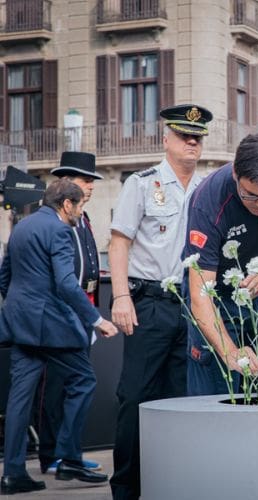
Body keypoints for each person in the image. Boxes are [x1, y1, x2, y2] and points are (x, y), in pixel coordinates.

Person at [108, 104, 212, 500]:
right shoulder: (141, 183)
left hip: (190, 306)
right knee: (136, 396)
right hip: (149, 302)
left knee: (180, 397)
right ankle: (126, 489)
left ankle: (169, 485)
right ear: (166, 139)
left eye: (197, 137)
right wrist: (121, 296)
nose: (191, 142)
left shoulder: (205, 189)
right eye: (184, 135)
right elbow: (120, 242)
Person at [0, 179, 118, 495]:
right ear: (67, 204)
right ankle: (68, 459)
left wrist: (21, 307)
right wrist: (97, 320)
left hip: (20, 323)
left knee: (19, 399)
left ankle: (12, 474)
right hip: (50, 326)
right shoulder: (61, 230)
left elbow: (4, 276)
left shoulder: (22, 226)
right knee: (84, 380)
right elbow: (66, 284)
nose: (80, 213)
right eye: (79, 206)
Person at [184, 132, 258, 396]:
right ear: (235, 174)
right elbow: (200, 296)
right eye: (250, 196)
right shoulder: (208, 201)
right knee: (217, 388)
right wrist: (230, 352)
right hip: (214, 293)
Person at [36, 152, 105, 475]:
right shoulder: (55, 222)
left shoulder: (83, 217)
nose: (90, 186)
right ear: (66, 183)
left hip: (83, 310)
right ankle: (53, 455)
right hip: (62, 314)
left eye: (91, 181)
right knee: (56, 388)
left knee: (74, 386)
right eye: (84, 180)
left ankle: (69, 454)